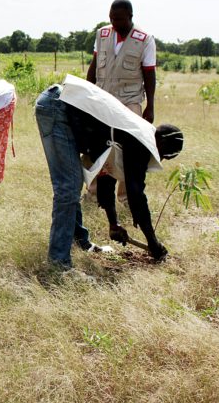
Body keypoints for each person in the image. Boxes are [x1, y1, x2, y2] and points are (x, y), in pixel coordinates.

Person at [35, 75, 183, 269]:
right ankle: (59, 264)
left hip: (60, 104)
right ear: (160, 144)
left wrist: (113, 224)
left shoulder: (138, 134)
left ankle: (81, 242)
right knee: (68, 188)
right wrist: (153, 243)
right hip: (59, 108)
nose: (158, 158)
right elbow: (136, 194)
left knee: (73, 183)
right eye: (162, 155)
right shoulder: (139, 141)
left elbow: (107, 176)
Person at [86, 0, 157, 203]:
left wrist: (150, 107)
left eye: (118, 18)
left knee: (131, 146)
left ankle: (126, 195)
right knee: (97, 145)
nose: (114, 22)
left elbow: (149, 74)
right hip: (102, 97)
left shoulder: (144, 39)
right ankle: (94, 192)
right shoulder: (103, 33)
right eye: (111, 18)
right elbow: (94, 64)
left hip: (129, 99)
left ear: (130, 16)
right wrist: (87, 93)